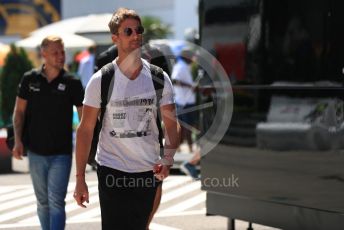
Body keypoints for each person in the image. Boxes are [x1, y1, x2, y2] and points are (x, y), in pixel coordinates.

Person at [73, 8, 179, 230]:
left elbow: (171, 124)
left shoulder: (159, 78)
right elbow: (85, 130)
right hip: (112, 169)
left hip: (147, 170)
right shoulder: (101, 80)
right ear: (115, 38)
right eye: (128, 31)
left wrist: (168, 159)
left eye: (138, 30)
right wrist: (80, 177)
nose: (135, 35)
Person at [12, 35, 84, 230]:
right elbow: (19, 112)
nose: (61, 56)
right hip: (35, 152)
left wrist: (87, 143)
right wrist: (18, 141)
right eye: (55, 53)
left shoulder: (72, 82)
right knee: (42, 202)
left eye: (62, 52)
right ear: (43, 54)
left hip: (61, 154)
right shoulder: (30, 79)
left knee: (56, 202)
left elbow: (84, 117)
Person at [171, 48, 197, 153]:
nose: (193, 59)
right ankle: (189, 148)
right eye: (191, 56)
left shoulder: (185, 66)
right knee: (187, 126)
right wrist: (190, 86)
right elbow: (175, 80)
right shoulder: (180, 66)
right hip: (183, 102)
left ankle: (179, 148)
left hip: (186, 101)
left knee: (183, 126)